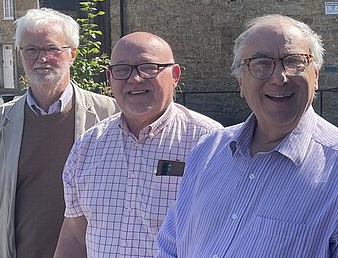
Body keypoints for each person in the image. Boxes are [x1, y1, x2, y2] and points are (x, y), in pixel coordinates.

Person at [156, 14, 338, 257]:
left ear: (315, 75)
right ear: (241, 81)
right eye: (261, 64)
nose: (279, 78)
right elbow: (171, 243)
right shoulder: (208, 150)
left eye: (294, 62)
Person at [0, 8, 119, 258]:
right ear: (20, 55)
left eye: (52, 49)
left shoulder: (111, 115)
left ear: (72, 54)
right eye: (31, 50)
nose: (42, 58)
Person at [53, 31, 223, 258]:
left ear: (175, 75)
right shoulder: (87, 147)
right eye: (122, 70)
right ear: (109, 78)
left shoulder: (211, 144)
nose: (134, 79)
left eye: (148, 67)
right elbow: (74, 238)